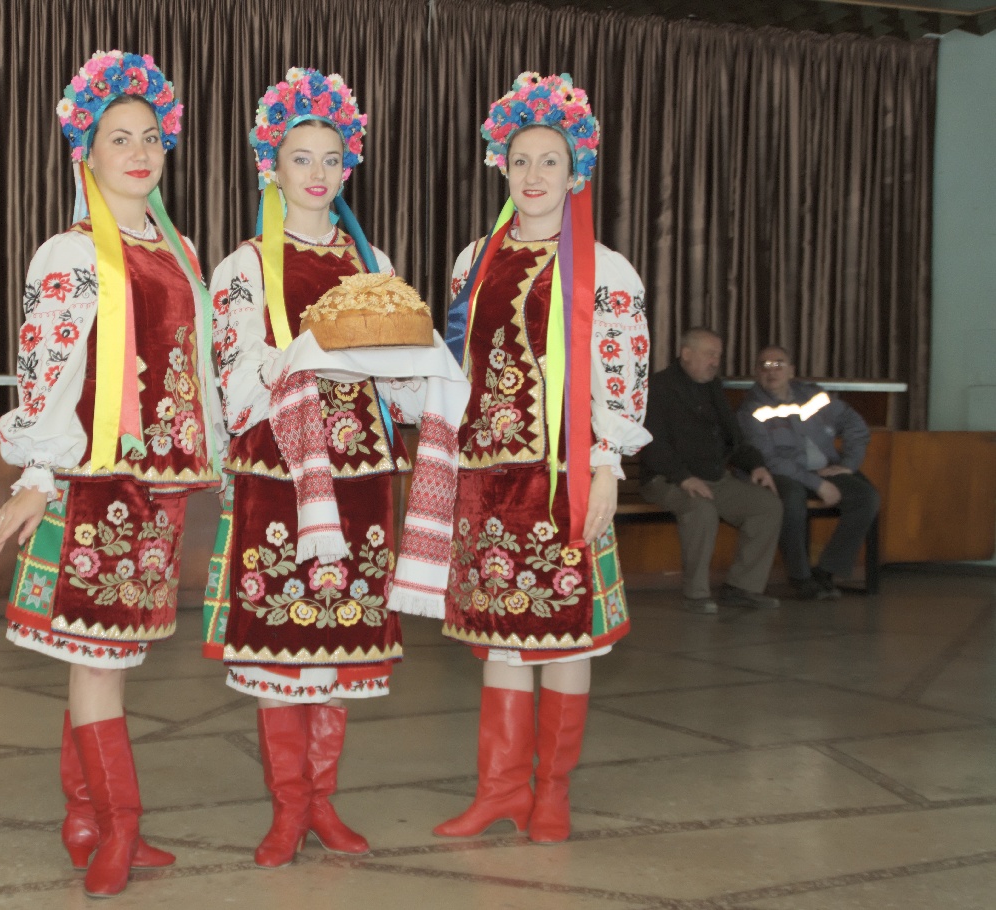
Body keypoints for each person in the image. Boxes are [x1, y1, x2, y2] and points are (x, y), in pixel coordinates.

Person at [205, 67, 463, 868]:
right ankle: (288, 809)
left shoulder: (371, 259)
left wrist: (421, 373)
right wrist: (308, 356)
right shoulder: (244, 266)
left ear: (348, 166)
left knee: (343, 640)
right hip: (278, 476)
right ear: (271, 167)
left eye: (330, 158)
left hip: (359, 477)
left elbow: (398, 376)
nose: (316, 173)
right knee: (283, 642)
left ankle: (322, 803)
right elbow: (236, 381)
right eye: (299, 158)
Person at [0, 50, 223, 898]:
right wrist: (37, 472)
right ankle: (118, 829)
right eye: (118, 138)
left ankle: (85, 819)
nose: (139, 151)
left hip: (156, 487)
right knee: (95, 660)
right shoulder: (72, 252)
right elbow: (46, 369)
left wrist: (216, 455)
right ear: (84, 153)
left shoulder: (179, 249)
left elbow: (192, 368)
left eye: (150, 136)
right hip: (94, 482)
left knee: (111, 658)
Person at [437, 72, 651, 845]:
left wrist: (606, 465)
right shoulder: (473, 260)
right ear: (502, 165)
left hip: (563, 476)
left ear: (574, 171)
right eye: (520, 160)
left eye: (548, 161)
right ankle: (498, 791)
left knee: (566, 631)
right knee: (500, 631)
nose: (532, 175)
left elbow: (621, 378)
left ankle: (550, 793)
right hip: (486, 478)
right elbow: (458, 367)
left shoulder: (604, 268)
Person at [640, 328, 783, 613]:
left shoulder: (713, 386)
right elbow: (653, 444)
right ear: (686, 354)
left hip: (714, 478)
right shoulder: (658, 387)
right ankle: (696, 594)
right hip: (666, 479)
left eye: (718, 355)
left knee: (767, 506)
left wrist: (755, 465)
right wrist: (683, 477)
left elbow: (734, 437)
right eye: (709, 354)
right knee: (700, 509)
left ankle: (742, 587)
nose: (715, 361)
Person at [738, 345, 879, 599]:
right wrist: (817, 484)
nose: (772, 371)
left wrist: (848, 465)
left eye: (779, 364)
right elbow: (770, 460)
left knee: (866, 497)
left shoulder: (813, 396)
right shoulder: (751, 410)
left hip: (825, 468)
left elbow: (854, 424)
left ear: (791, 370)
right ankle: (801, 577)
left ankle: (826, 571)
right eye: (765, 366)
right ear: (756, 373)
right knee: (791, 500)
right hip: (786, 474)